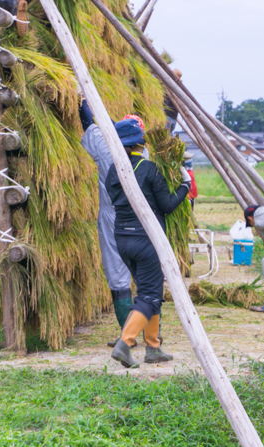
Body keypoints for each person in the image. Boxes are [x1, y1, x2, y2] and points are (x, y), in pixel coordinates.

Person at [106, 118, 191, 367]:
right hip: (146, 240)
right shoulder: (150, 168)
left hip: (122, 239)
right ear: (140, 144)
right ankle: (125, 342)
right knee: (150, 294)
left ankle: (153, 348)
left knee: (149, 292)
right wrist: (185, 186)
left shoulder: (113, 170)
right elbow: (167, 205)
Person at [78, 98, 137, 347]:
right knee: (145, 276)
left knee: (117, 274)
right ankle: (151, 334)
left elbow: (89, 125)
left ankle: (128, 335)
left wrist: (82, 102)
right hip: (141, 221)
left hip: (114, 219)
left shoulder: (106, 152)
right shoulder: (143, 158)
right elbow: (111, 127)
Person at [163, 69, 182, 134]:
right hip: (173, 117)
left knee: (164, 134)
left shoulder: (170, 87)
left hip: (167, 116)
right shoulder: (179, 88)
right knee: (168, 134)